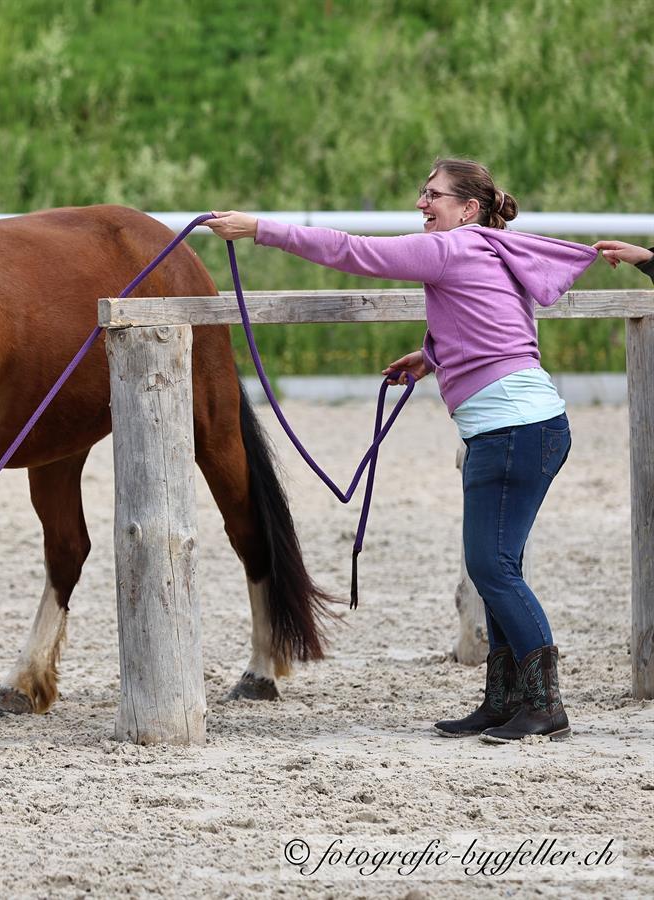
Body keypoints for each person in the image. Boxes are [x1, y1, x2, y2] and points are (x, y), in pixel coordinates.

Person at [204, 158, 598, 744]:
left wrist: (261, 228)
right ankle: (505, 699)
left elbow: (351, 251)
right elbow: (500, 326)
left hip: (511, 430)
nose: (423, 203)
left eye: (434, 195)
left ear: (467, 208)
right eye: (423, 192)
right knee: (499, 568)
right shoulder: (487, 248)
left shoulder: (452, 249)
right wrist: (433, 357)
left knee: (492, 568)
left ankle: (544, 703)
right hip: (524, 425)